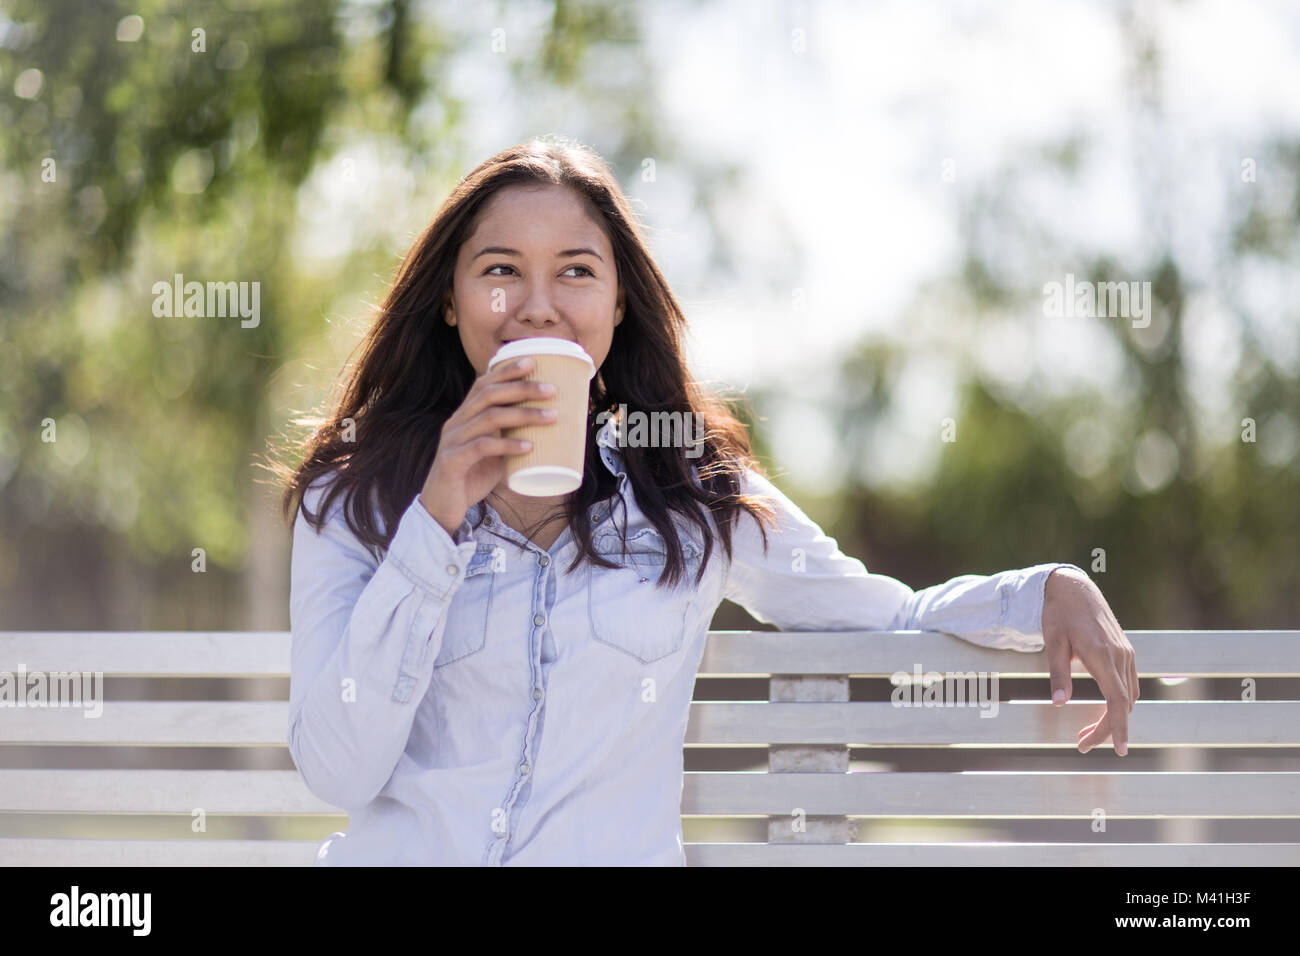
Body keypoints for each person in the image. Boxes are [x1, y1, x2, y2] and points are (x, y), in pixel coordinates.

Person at [278, 136, 1138, 866]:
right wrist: (435, 518)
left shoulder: (689, 496)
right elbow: (337, 772)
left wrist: (1044, 590)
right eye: (499, 270)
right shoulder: (355, 495)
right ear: (450, 299)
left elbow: (886, 618)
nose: (536, 305)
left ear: (617, 303)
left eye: (576, 271)